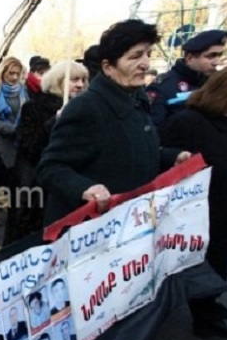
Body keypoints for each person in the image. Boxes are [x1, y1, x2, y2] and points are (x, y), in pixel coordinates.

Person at [36, 19, 191, 227]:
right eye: (135, 56)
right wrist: (85, 188)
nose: (145, 63)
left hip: (131, 227)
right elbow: (50, 168)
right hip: (92, 232)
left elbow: (128, 151)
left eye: (148, 55)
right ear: (108, 67)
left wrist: (172, 157)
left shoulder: (138, 100)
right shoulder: (87, 108)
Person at [160, 63, 227, 339]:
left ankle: (208, 315)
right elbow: (158, 157)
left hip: (226, 215)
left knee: (217, 262)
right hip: (192, 220)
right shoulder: (188, 122)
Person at [8, 60, 89, 242]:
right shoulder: (33, 107)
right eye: (74, 79)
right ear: (57, 81)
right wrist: (55, 120)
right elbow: (29, 146)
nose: (80, 85)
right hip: (35, 187)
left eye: (83, 80)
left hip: (69, 189)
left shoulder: (85, 110)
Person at [0, 57, 29, 245]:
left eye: (17, 74)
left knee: (15, 182)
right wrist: (11, 129)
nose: (14, 77)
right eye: (10, 73)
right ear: (2, 73)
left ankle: (12, 213)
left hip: (19, 144)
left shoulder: (23, 92)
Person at [147, 29, 227, 127]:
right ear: (190, 58)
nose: (217, 62)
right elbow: (152, 131)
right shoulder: (163, 87)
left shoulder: (215, 84)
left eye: (219, 55)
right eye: (211, 56)